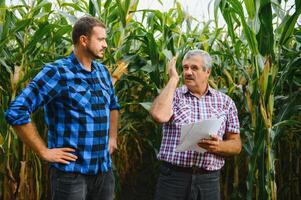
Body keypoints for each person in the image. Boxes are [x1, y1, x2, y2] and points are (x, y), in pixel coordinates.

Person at [5, 16, 119, 200]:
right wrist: (43, 151)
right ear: (83, 40)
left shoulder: (103, 72)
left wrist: (112, 137)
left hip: (103, 172)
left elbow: (113, 105)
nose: (105, 44)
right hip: (71, 176)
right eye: (101, 39)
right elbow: (16, 111)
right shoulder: (58, 72)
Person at [150, 49, 242, 200]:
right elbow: (158, 115)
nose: (188, 72)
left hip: (208, 180)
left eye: (194, 68)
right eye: (185, 67)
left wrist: (218, 146)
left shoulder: (225, 102)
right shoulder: (173, 96)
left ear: (208, 72)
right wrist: (173, 79)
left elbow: (236, 144)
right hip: (174, 178)